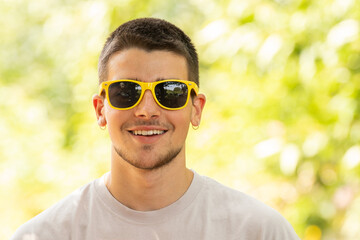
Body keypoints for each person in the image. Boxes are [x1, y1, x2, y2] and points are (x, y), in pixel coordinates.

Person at [12, 18, 300, 240]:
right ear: (101, 109)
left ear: (195, 109)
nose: (147, 110)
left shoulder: (258, 231)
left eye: (169, 91)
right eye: (126, 91)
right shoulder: (47, 234)